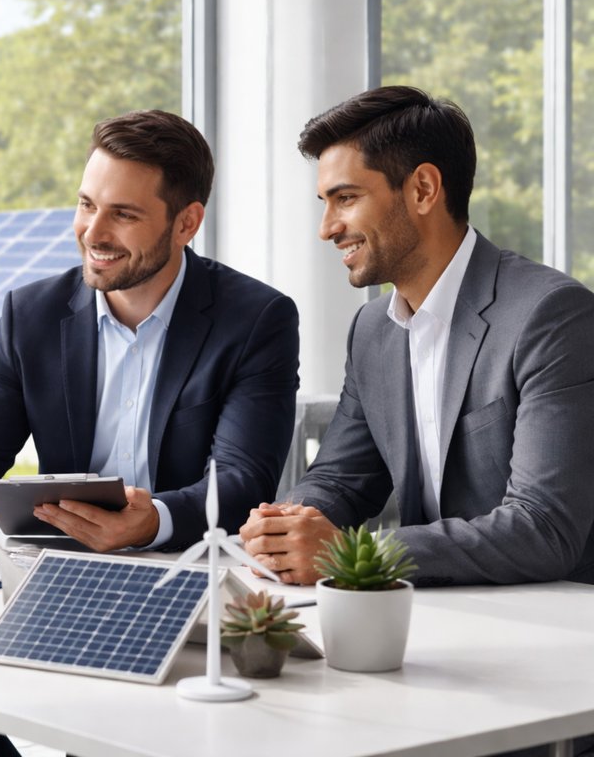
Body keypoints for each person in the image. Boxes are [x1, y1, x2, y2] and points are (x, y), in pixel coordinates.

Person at [0, 109, 300, 755]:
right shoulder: (32, 314)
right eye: (85, 204)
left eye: (123, 215)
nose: (92, 232)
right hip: (59, 580)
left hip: (182, 585)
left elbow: (242, 482)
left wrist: (151, 519)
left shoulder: (255, 320)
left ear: (186, 222)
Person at [241, 86, 594, 589]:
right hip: (429, 614)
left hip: (553, 623)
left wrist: (351, 553)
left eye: (346, 198)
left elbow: (543, 528)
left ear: (424, 189)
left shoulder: (551, 316)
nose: (326, 228)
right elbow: (341, 478)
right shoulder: (372, 330)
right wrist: (285, 527)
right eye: (325, 202)